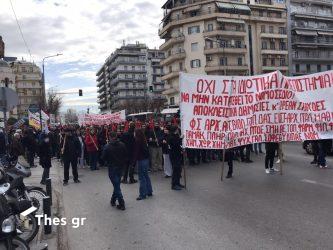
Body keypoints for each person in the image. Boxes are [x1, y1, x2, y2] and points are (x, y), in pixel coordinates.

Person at [102, 131, 127, 210]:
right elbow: (125, 155)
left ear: (110, 137)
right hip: (120, 167)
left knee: (116, 186)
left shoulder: (107, 146)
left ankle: (121, 202)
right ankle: (113, 200)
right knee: (116, 185)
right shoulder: (122, 145)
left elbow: (103, 158)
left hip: (113, 168)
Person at [133, 128, 153, 200]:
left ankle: (142, 194)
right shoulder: (144, 140)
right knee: (146, 176)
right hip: (146, 159)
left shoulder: (138, 141)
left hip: (141, 160)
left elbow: (136, 152)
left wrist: (134, 162)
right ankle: (149, 191)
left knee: (141, 177)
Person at [168, 126, 184, 190]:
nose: (178, 130)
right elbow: (175, 144)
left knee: (179, 170)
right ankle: (174, 185)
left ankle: (178, 183)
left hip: (177, 154)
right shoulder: (171, 137)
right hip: (174, 156)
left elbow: (178, 145)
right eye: (177, 129)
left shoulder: (176, 135)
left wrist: (181, 149)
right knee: (175, 170)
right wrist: (180, 139)